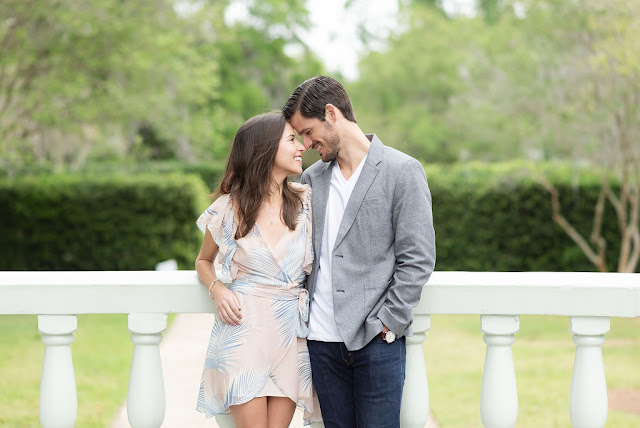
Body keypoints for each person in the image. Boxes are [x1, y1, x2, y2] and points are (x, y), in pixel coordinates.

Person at [282, 76, 436, 428]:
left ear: (331, 113)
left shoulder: (403, 172)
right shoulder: (310, 180)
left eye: (307, 132)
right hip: (321, 344)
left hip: (377, 342)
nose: (305, 144)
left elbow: (418, 258)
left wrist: (389, 323)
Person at [194, 111, 321, 427]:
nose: (301, 146)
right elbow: (203, 261)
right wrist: (217, 288)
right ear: (265, 150)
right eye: (292, 139)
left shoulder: (306, 202)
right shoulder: (228, 209)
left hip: (290, 334)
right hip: (244, 332)